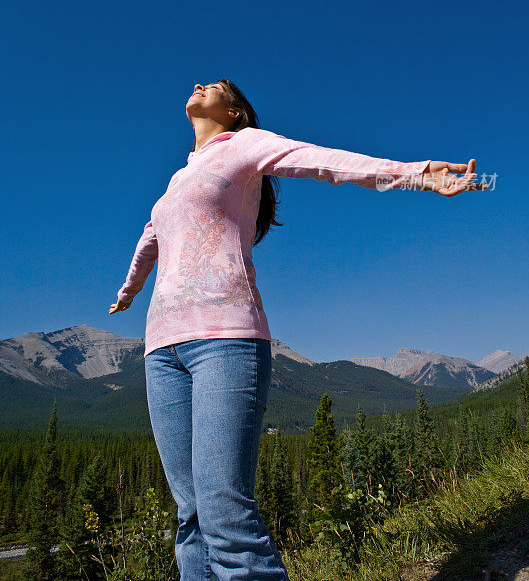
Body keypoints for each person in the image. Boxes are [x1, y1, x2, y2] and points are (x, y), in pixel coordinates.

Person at [109, 78, 488, 581]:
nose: (200, 85)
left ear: (237, 112)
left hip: (225, 341)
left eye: (216, 86)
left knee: (225, 514)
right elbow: (150, 238)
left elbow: (324, 160)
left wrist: (418, 174)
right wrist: (130, 290)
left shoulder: (244, 146)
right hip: (161, 351)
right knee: (191, 516)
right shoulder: (178, 180)